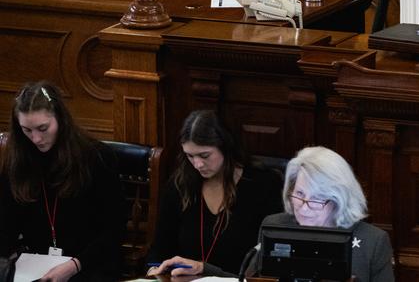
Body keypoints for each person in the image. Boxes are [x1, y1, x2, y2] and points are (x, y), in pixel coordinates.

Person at [0, 81, 126, 282]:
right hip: (35, 267)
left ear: (59, 117)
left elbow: (114, 229)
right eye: (27, 130)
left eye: (43, 128)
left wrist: (74, 265)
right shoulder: (18, 162)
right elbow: (7, 226)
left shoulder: (96, 158)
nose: (36, 139)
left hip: (89, 264)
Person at [146, 110, 282, 277]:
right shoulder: (180, 185)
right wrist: (154, 269)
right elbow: (159, 249)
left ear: (225, 146)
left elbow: (270, 262)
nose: (197, 164)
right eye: (190, 156)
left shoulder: (262, 185)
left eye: (204, 155)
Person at [252, 146, 394, 282]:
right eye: (300, 193)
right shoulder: (273, 227)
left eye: (317, 198)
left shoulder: (373, 241)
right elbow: (252, 278)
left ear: (339, 200)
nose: (304, 207)